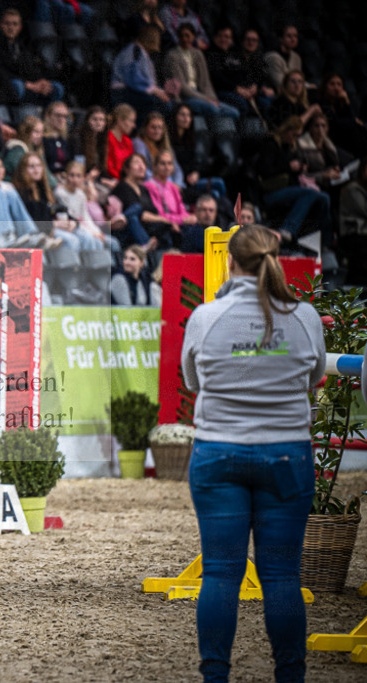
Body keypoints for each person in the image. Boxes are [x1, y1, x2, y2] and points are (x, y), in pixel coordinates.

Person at [182, 223, 325, 682]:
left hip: (219, 451)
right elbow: (314, 377)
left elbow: (192, 382)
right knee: (282, 576)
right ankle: (291, 675)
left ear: (231, 261)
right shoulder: (304, 317)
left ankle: (215, 676)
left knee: (220, 574)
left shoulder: (205, 317)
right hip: (287, 455)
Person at [256, 115, 333, 248]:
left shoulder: (291, 147)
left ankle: (325, 241)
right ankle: (288, 229)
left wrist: (299, 168)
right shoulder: (271, 144)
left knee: (324, 198)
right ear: (286, 130)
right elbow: (264, 170)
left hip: (290, 190)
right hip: (271, 192)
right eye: (294, 134)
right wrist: (288, 167)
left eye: (299, 135)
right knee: (309, 194)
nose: (296, 138)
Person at [0, 7, 64, 107]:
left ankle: (49, 115)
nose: (11, 27)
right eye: (7, 23)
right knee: (18, 85)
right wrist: (27, 84)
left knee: (57, 88)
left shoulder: (23, 46)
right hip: (8, 86)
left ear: (20, 27)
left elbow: (32, 68)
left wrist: (41, 81)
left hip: (28, 84)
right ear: (1, 25)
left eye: (15, 24)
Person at [165, 24, 240, 123]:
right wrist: (206, 99)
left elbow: (205, 82)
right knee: (213, 109)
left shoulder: (198, 54)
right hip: (186, 97)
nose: (184, 39)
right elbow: (182, 87)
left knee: (235, 112)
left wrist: (213, 99)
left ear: (193, 37)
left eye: (187, 36)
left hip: (200, 95)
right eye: (181, 36)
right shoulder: (172, 55)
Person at [110, 25, 171, 124]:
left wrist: (161, 92)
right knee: (157, 104)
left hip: (136, 92)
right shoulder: (134, 51)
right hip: (124, 93)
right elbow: (133, 79)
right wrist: (155, 91)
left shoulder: (145, 55)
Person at [0, 154, 42, 246]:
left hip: (11, 221)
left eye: (0, 167)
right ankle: (5, 238)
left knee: (11, 192)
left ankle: (31, 233)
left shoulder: (7, 186)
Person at [110, 153, 169, 250]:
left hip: (146, 227)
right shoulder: (122, 187)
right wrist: (161, 219)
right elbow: (141, 214)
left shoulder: (143, 189)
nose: (141, 167)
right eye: (137, 163)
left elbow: (153, 211)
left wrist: (163, 220)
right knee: (135, 213)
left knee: (167, 226)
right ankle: (145, 247)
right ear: (126, 169)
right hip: (126, 229)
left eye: (143, 164)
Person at [55, 160, 117, 251]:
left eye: (78, 176)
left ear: (83, 178)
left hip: (82, 226)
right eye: (72, 175)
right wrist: (92, 233)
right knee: (91, 239)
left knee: (112, 242)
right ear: (66, 176)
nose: (75, 180)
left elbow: (85, 216)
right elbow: (71, 217)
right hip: (71, 226)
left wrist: (97, 232)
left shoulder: (80, 194)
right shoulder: (60, 193)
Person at [145, 150, 196, 240]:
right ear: (155, 166)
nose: (167, 167)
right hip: (163, 226)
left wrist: (189, 218)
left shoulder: (173, 187)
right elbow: (159, 214)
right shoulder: (150, 186)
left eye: (169, 164)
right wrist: (181, 220)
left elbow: (182, 209)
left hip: (179, 224)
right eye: (163, 164)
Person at [318, 73, 367, 158]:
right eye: (332, 84)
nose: (336, 88)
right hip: (332, 138)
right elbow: (335, 123)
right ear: (325, 86)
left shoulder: (341, 104)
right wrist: (353, 120)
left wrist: (346, 101)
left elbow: (350, 120)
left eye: (339, 84)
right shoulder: (322, 103)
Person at [265, 25, 304, 92]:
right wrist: (305, 85)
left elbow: (298, 79)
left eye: (295, 36)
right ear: (281, 38)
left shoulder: (296, 57)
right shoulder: (272, 57)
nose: (293, 39)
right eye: (289, 36)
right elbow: (281, 83)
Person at [106, 104, 136, 181]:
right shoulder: (107, 138)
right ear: (119, 120)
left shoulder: (128, 141)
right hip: (111, 180)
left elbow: (131, 164)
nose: (134, 126)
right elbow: (108, 167)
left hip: (125, 180)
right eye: (131, 121)